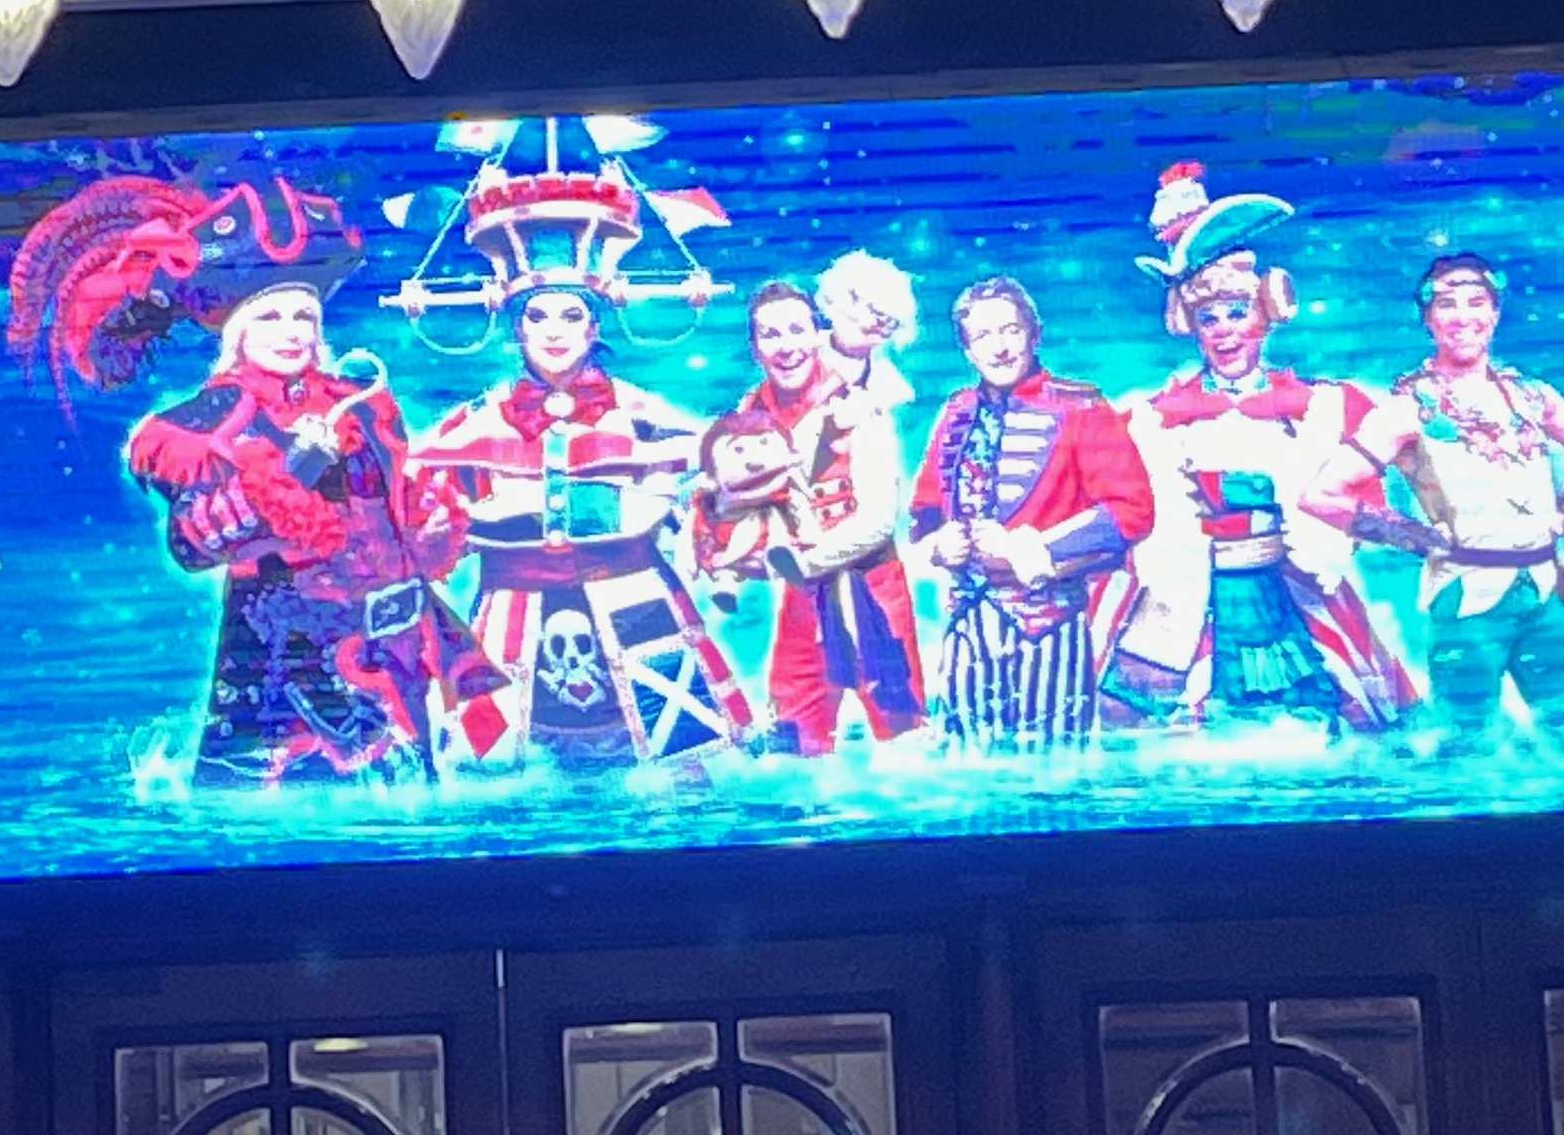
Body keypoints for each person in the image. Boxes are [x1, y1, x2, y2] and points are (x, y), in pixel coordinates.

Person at [7, 174, 497, 782]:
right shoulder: (203, 420)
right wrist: (299, 465)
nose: (291, 332)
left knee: (411, 805)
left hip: (388, 634)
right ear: (240, 332)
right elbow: (192, 545)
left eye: (302, 316)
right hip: (280, 648)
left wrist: (435, 518)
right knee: (293, 812)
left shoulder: (363, 403)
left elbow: (397, 513)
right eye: (272, 318)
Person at [1106, 165, 1421, 734]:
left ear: (1266, 314)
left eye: (1237, 313)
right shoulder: (1150, 418)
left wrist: (1424, 537)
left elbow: (1366, 497)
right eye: (1208, 317)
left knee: (1360, 713)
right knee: (1147, 718)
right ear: (1189, 325)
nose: (1224, 331)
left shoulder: (1321, 407)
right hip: (1192, 599)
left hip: (1293, 586)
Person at [407, 271, 744, 770]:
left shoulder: (641, 412)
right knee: (495, 785)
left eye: (571, 316)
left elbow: (720, 469)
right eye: (537, 317)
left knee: (681, 772)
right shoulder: (474, 421)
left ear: (593, 329)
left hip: (638, 604)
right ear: (517, 330)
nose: (553, 331)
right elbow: (417, 505)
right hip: (510, 614)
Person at [1355, 251, 1564, 742]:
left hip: (1545, 588)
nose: (1463, 317)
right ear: (1427, 318)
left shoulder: (1530, 395)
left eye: (1476, 302)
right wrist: (1411, 536)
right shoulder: (1407, 407)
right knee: (1468, 739)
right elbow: (1326, 493)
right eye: (1447, 304)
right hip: (1466, 594)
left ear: (1495, 313)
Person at [906, 275, 1155, 749]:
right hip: (968, 621)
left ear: (1033, 334)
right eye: (983, 336)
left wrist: (1037, 547)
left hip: (1049, 620)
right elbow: (925, 512)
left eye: (1010, 331)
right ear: (966, 350)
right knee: (962, 758)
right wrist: (938, 544)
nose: (998, 348)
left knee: (1051, 766)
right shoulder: (955, 411)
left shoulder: (1081, 406)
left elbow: (1132, 511)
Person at [696, 279, 925, 753]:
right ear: (755, 347)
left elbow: (879, 520)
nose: (786, 347)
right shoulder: (747, 414)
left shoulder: (859, 403)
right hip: (801, 602)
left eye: (796, 330)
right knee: (795, 740)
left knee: (903, 737)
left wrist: (792, 564)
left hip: (871, 591)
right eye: (770, 335)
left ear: (815, 333)